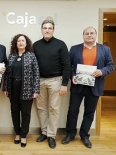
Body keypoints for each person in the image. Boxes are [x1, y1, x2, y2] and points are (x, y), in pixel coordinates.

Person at [61, 26, 114, 148]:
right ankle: (70, 134)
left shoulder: (105, 50)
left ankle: (84, 135)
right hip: (77, 85)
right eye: (86, 33)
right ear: (83, 36)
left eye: (91, 33)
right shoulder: (74, 49)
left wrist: (102, 71)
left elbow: (111, 65)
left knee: (89, 113)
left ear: (95, 35)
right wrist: (72, 76)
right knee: (72, 111)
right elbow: (68, 66)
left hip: (95, 86)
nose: (89, 35)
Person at [33, 19, 71, 149]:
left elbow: (67, 65)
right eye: (45, 28)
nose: (47, 30)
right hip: (39, 81)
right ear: (41, 29)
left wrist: (64, 83)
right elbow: (32, 65)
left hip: (56, 81)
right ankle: (44, 132)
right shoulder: (36, 45)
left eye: (49, 28)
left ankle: (51, 135)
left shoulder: (61, 44)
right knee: (41, 108)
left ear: (53, 30)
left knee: (54, 109)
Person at [3, 34, 40, 148]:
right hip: (13, 87)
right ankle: (17, 134)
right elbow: (7, 74)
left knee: (25, 113)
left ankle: (24, 135)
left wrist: (36, 89)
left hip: (27, 88)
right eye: (18, 41)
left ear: (26, 43)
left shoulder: (31, 56)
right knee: (14, 111)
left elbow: (36, 74)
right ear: (15, 43)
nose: (20, 42)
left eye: (23, 41)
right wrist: (5, 87)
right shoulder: (11, 56)